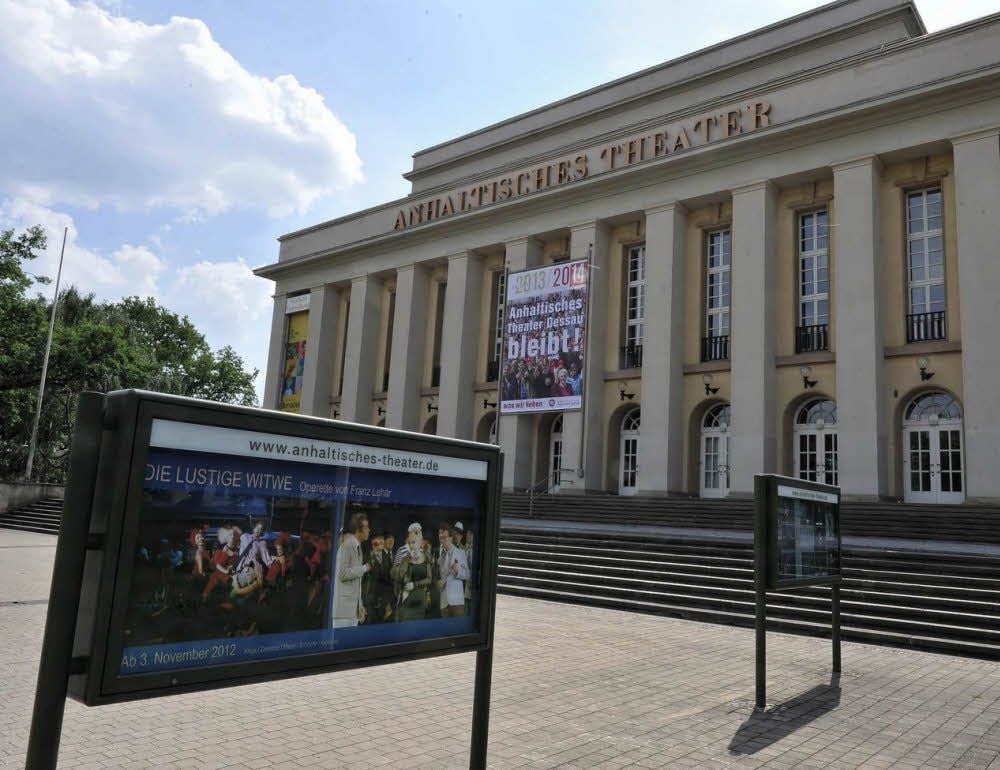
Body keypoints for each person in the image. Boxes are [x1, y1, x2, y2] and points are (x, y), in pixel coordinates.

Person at [332, 513, 370, 628]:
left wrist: (360, 606)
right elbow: (342, 574)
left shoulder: (358, 548)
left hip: (353, 612)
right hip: (343, 612)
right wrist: (364, 568)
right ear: (359, 530)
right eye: (366, 527)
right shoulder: (347, 546)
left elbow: (355, 584)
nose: (369, 530)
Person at [392, 524, 432, 622]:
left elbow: (429, 579)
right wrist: (406, 560)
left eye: (413, 542)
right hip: (407, 600)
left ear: (420, 542)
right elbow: (395, 576)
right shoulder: (403, 553)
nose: (411, 545)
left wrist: (415, 585)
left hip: (420, 602)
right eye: (409, 542)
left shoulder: (427, 557)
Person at [437, 525, 469, 617]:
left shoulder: (460, 553)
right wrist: (438, 583)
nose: (442, 540)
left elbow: (467, 575)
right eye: (440, 538)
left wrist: (457, 571)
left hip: (457, 602)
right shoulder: (440, 557)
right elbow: (438, 577)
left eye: (444, 537)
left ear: (451, 538)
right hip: (444, 603)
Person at [364, 532, 394, 624]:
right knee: (369, 622)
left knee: (381, 621)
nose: (381, 541)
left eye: (382, 539)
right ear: (373, 542)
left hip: (383, 598)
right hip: (370, 597)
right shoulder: (366, 557)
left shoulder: (387, 557)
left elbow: (389, 578)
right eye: (378, 539)